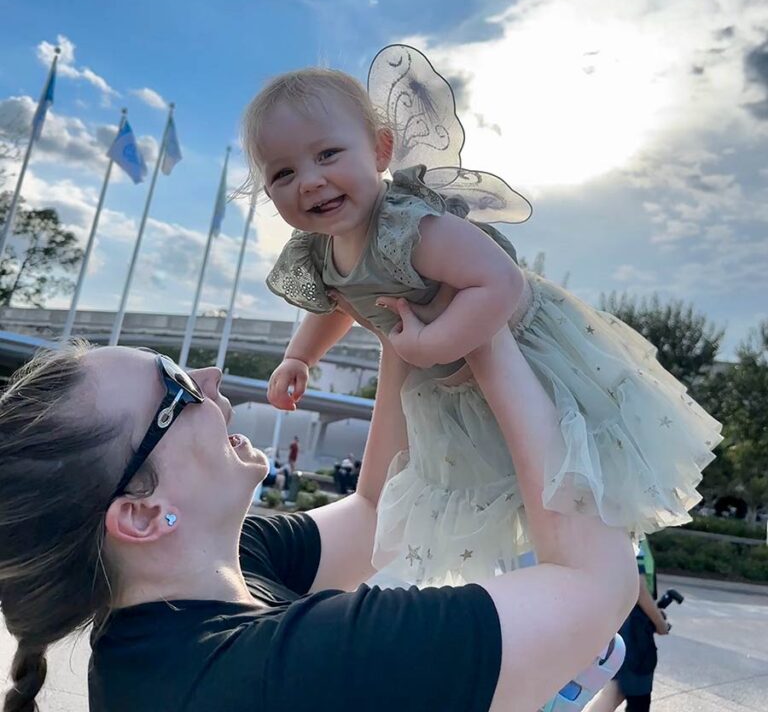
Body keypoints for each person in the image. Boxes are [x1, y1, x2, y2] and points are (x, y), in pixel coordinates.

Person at [241, 44, 722, 586]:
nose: (309, 180)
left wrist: (433, 344)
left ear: (380, 151)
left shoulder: (410, 228)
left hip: (524, 355)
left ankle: (587, 593)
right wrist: (299, 356)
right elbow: (340, 303)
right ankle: (531, 589)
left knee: (556, 479)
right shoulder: (321, 250)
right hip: (442, 379)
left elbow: (500, 281)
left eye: (327, 154)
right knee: (476, 489)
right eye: (283, 172)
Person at [0, 305, 638, 712]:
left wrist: (392, 312)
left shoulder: (196, 589)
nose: (213, 376)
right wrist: (487, 330)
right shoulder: (282, 672)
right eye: (177, 386)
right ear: (141, 515)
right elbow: (597, 584)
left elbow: (374, 514)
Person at [588, 539, 669, 712]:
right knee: (633, 694)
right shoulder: (633, 533)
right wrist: (660, 624)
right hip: (633, 630)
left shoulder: (626, 529)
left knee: (618, 690)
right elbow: (638, 587)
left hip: (626, 621)